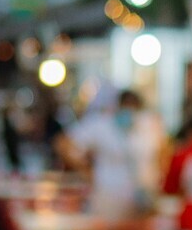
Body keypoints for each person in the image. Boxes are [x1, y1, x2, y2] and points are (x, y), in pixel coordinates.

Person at [68, 89, 168, 220]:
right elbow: (66, 143)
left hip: (145, 197)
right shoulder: (102, 124)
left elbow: (163, 152)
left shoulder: (149, 125)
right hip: (110, 197)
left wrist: (160, 179)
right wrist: (86, 171)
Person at [0, 97, 27, 172]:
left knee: (15, 161)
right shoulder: (7, 120)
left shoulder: (10, 119)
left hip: (12, 143)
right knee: (14, 161)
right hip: (11, 143)